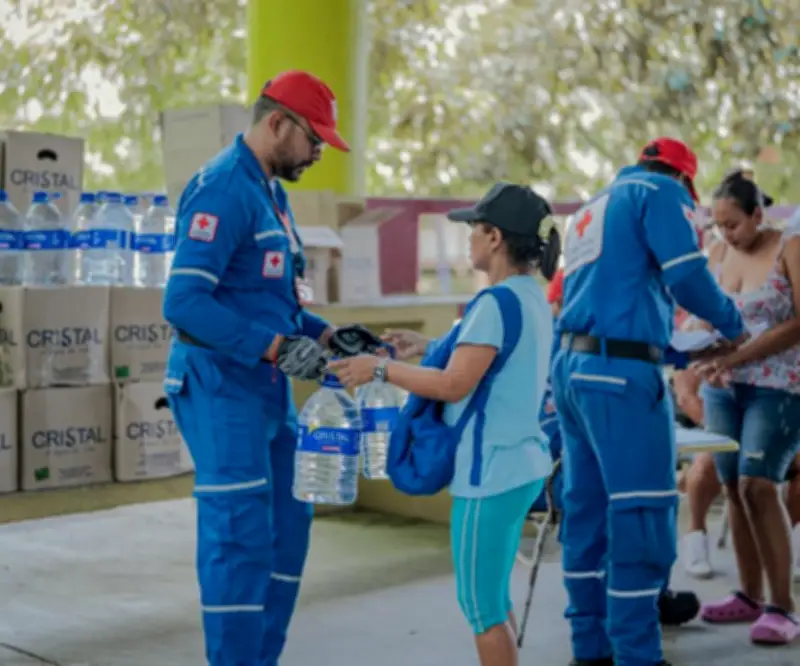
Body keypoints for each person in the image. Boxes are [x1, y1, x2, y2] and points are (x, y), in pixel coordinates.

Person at [162, 70, 381, 666]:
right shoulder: (222, 189)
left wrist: (328, 334)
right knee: (240, 536)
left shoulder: (271, 195)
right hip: (218, 385)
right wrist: (275, 349)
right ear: (276, 123)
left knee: (290, 525)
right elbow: (182, 305)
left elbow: (279, 305)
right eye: (314, 140)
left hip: (265, 386)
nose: (317, 154)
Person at [330, 183, 560, 666]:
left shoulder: (495, 303)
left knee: (480, 609)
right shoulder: (528, 297)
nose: (467, 239)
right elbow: (493, 360)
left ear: (494, 237)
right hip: (521, 465)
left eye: (473, 228)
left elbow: (456, 383)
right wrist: (426, 343)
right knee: (494, 599)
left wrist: (380, 368)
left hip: (489, 473)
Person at [552, 137, 748, 666]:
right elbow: (687, 276)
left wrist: (678, 350)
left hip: (572, 369)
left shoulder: (593, 206)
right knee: (642, 513)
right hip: (620, 378)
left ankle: (589, 649)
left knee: (586, 514)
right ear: (686, 180)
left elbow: (609, 298)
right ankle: (638, 654)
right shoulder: (661, 193)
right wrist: (734, 326)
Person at [694, 171, 800, 644]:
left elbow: (799, 323)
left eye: (733, 224)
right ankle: (749, 595)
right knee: (731, 487)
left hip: (778, 387)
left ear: (759, 214)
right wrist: (698, 356)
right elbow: (703, 318)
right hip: (723, 387)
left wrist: (736, 356)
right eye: (717, 225)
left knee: (759, 485)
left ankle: (783, 607)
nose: (726, 234)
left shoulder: (789, 247)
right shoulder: (716, 254)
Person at [672, 366, 800, 581]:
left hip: (776, 416)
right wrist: (727, 431)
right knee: (709, 462)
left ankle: (791, 536)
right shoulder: (704, 338)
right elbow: (686, 397)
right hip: (720, 418)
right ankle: (696, 531)